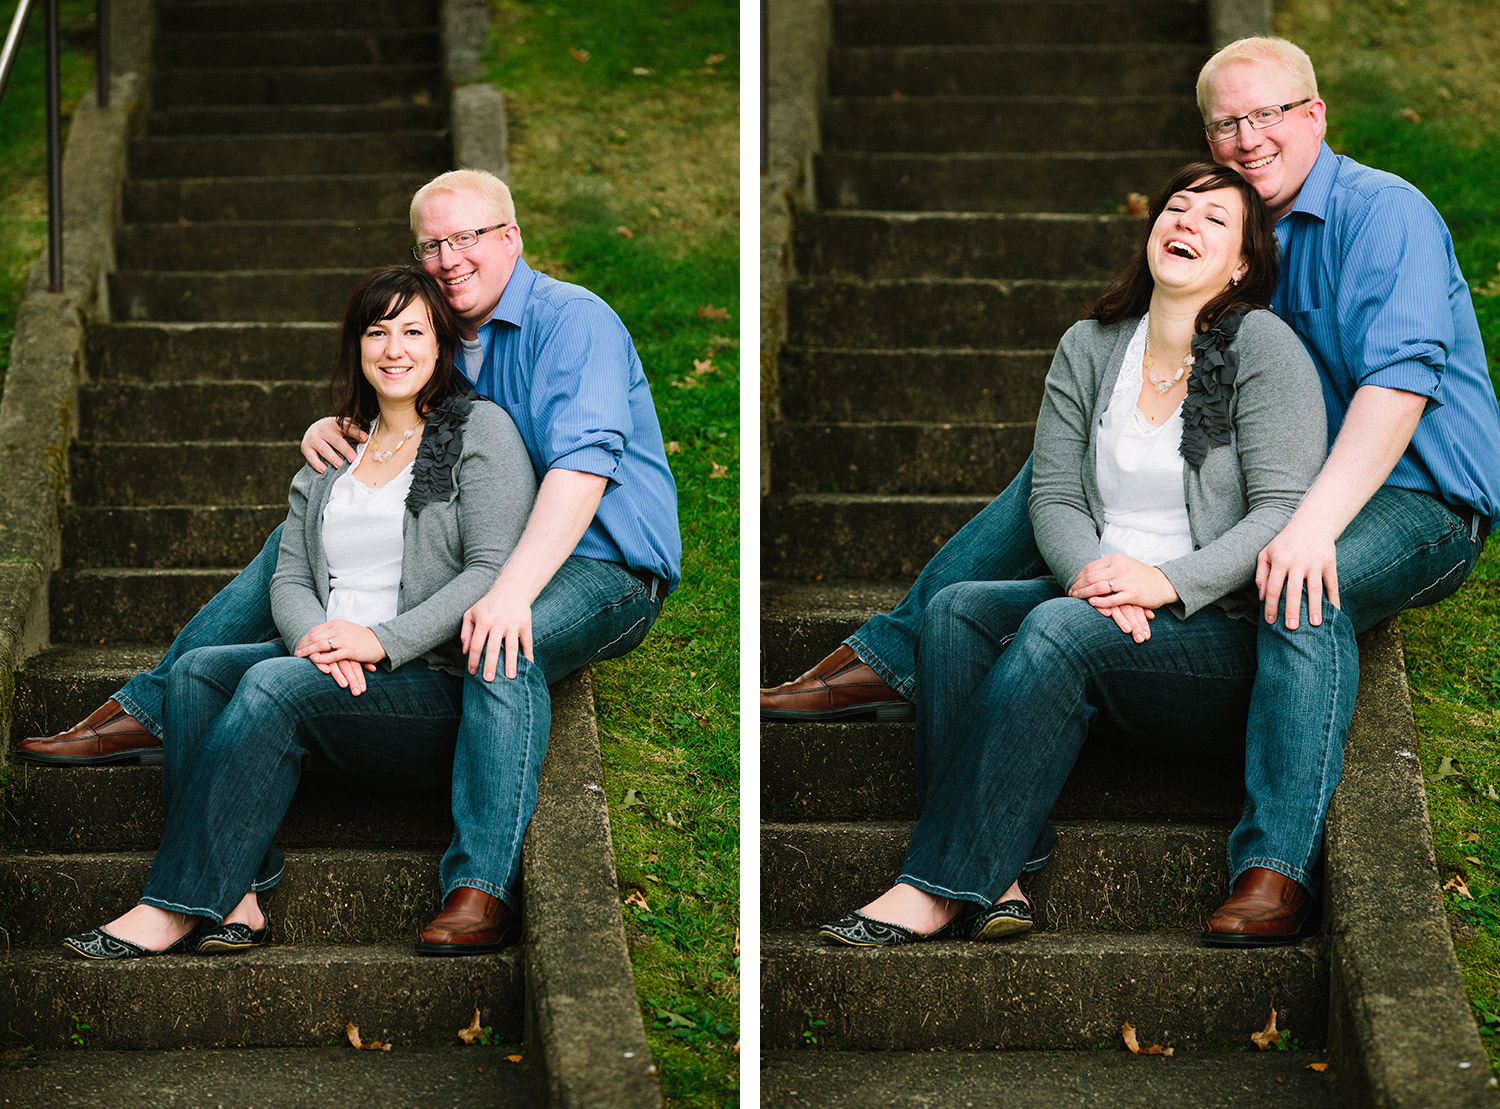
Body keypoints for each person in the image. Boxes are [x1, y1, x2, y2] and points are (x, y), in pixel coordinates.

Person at [763, 36, 1499, 947]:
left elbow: (1399, 388)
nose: (1246, 137)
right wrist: (1101, 567)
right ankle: (900, 649)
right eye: (1225, 122)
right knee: (1060, 471)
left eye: (1267, 114)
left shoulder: (1381, 214)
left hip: (1418, 492)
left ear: (1313, 116)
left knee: (1305, 577)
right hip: (1285, 473)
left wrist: (1297, 531)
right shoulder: (1204, 258)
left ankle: (1276, 867)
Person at [24, 170, 683, 955]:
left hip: (604, 560)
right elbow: (406, 411)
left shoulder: (572, 321)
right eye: (432, 243)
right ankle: (161, 702)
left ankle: (481, 886)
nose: (448, 256)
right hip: (486, 547)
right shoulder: (453, 337)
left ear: (510, 237)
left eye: (467, 236)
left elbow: (581, 471)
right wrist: (338, 436)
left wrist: (498, 595)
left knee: (503, 636)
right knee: (285, 552)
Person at [818, 162, 1325, 946]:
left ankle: (934, 884)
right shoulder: (1090, 346)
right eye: (1175, 207)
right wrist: (1094, 578)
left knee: (1055, 626)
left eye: (1213, 220)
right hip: (1099, 608)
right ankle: (1003, 874)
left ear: (1243, 265)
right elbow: (1051, 495)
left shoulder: (1265, 348)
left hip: (1216, 636)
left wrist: (1161, 582)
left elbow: (1284, 514)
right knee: (957, 611)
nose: (1184, 221)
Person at [61, 266, 537, 958]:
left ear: (441, 348)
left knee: (270, 682)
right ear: (357, 346)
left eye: (414, 330)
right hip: (330, 670)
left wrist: (376, 640)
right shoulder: (334, 451)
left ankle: (170, 904)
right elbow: (288, 573)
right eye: (378, 331)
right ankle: (238, 897)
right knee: (197, 673)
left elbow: (492, 574)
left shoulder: (479, 431)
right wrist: (317, 638)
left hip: (429, 684)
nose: (395, 347)